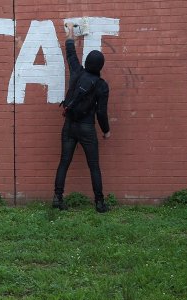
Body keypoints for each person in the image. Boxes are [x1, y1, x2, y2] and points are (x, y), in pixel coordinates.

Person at [53, 22, 111, 213]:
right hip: (87, 127)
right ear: (100, 66)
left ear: (86, 62)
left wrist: (70, 32)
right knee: (94, 165)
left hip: (69, 125)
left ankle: (57, 198)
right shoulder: (101, 86)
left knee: (64, 161)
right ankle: (99, 203)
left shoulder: (77, 72)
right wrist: (106, 131)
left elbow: (70, 52)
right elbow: (101, 112)